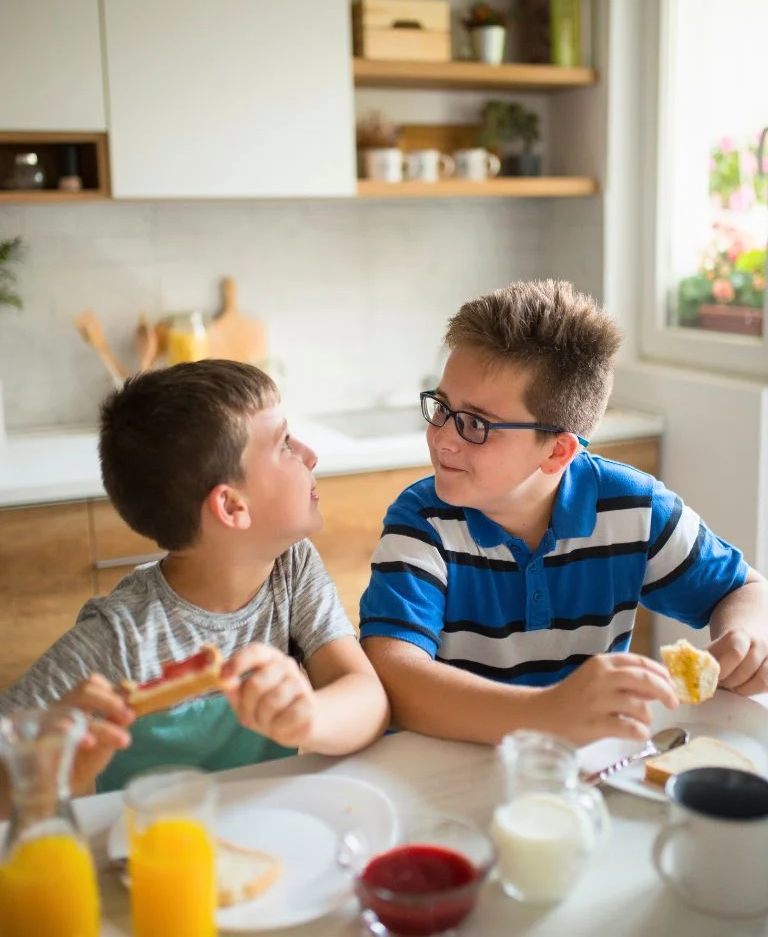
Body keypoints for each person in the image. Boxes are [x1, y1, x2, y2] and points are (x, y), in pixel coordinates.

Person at [360, 280, 768, 747]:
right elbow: (393, 675)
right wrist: (546, 714)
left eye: (474, 423)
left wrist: (746, 640)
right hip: (444, 767)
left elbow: (744, 589)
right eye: (442, 407)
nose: (441, 438)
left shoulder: (633, 508)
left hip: (577, 769)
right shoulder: (424, 521)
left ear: (557, 452)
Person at [0, 360, 389, 807]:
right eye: (284, 444)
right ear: (231, 505)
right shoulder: (118, 635)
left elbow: (367, 699)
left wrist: (310, 717)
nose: (309, 453)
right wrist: (41, 762)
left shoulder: (291, 569)